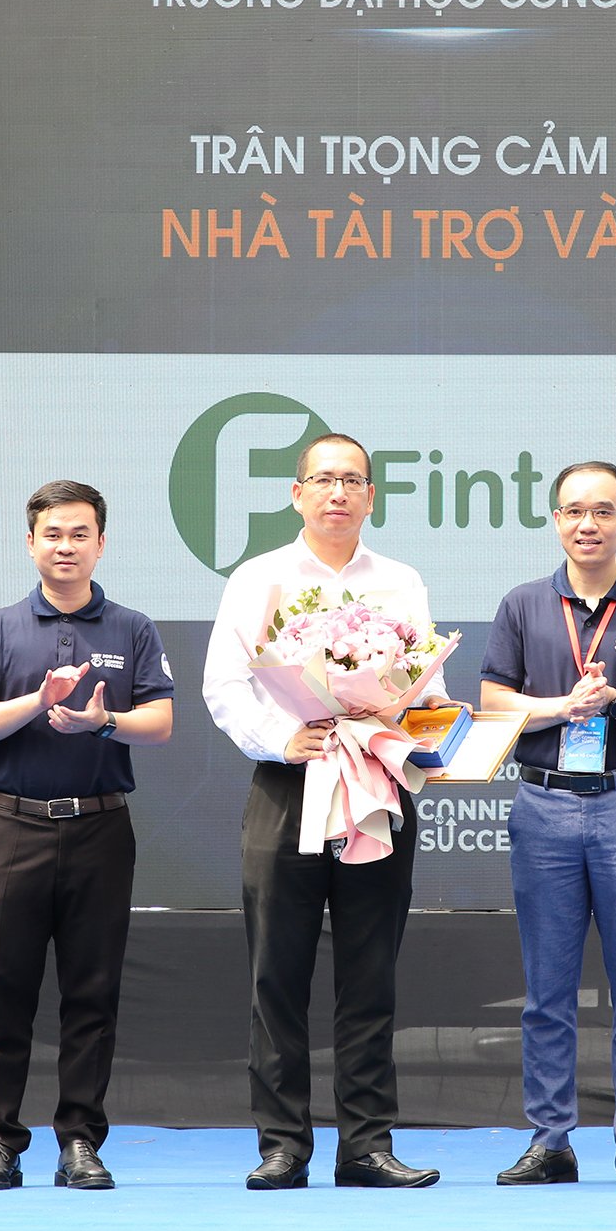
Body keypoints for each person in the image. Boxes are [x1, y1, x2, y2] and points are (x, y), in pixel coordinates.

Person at [202, 433, 448, 1190]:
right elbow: (224, 684)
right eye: (323, 479)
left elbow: (423, 682)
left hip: (375, 786)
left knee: (370, 974)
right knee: (276, 973)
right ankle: (282, 1145)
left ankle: (366, 1145)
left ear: (372, 496)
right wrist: (283, 738)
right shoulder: (259, 577)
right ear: (296, 492)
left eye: (353, 481)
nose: (337, 493)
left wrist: (430, 729)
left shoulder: (400, 580)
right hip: (290, 783)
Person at [478, 461, 616, 1187]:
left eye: (603, 511)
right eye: (574, 510)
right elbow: (494, 702)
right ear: (556, 520)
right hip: (544, 804)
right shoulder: (522, 605)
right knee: (547, 990)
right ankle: (550, 1141)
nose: (588, 524)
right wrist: (563, 707)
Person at [0, 480, 175, 1191]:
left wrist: (102, 721)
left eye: (80, 534)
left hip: (101, 828)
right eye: (53, 533)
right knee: (3, 993)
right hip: (12, 825)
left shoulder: (132, 628)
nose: (66, 546)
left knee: (91, 993)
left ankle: (79, 1140)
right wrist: (37, 701)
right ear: (31, 543)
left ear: (101, 544)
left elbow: (160, 724)